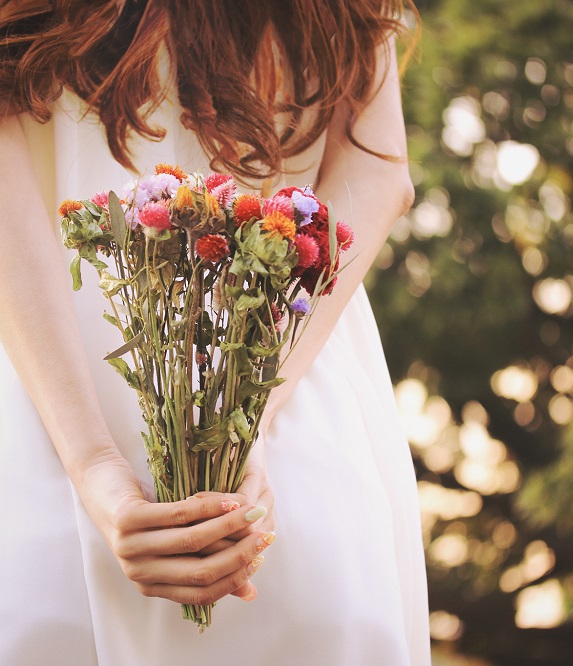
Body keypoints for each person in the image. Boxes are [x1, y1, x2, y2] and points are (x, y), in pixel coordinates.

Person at [0, 1, 430, 664]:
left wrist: (105, 462)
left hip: (212, 371)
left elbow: (379, 172)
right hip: (256, 383)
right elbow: (376, 168)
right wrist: (101, 461)